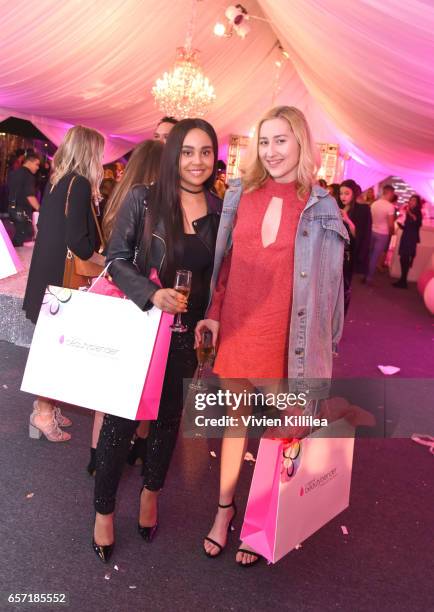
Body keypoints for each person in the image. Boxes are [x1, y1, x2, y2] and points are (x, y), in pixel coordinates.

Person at [195, 105, 347, 567]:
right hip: (240, 328)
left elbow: (331, 287)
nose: (272, 150)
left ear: (300, 142)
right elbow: (225, 267)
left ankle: (260, 520)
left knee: (279, 434)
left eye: (281, 140)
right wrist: (216, 314)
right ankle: (224, 513)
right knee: (234, 425)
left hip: (287, 339)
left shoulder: (321, 207)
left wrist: (326, 347)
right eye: (264, 141)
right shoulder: (242, 194)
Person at [92, 118, 222, 563]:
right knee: (120, 422)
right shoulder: (144, 200)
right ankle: (104, 512)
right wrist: (152, 294)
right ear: (173, 155)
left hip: (186, 337)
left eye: (205, 151)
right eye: (187, 151)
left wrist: (210, 316)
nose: (197, 161)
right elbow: (115, 259)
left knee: (168, 422)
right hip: (143, 328)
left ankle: (151, 494)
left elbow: (218, 278)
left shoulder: (221, 211)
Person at [86, 139, 164, 476]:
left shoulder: (118, 196)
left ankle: (95, 456)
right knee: (146, 380)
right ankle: (138, 450)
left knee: (107, 384)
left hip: (111, 295)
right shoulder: (151, 204)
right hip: (140, 297)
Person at [23, 125, 105, 442]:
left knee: (49, 344)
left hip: (47, 274)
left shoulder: (59, 181)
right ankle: (43, 412)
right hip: (61, 279)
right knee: (54, 349)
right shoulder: (80, 184)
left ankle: (43, 408)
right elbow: (78, 242)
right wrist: (101, 259)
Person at [338, 180, 363, 314]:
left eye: (347, 193)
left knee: (344, 289)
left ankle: (339, 323)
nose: (343, 196)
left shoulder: (360, 210)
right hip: (333, 253)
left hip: (347, 256)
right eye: (341, 193)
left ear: (354, 194)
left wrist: (347, 219)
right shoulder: (336, 207)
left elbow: (359, 235)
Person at [7, 152, 41, 246]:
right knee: (22, 238)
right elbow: (30, 196)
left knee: (21, 236)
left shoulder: (15, 172)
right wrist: (41, 209)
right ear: (29, 162)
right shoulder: (28, 176)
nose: (38, 167)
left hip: (12, 208)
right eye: (37, 164)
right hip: (21, 211)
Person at [365, 184, 395, 284]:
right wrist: (392, 233)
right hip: (383, 233)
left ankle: (365, 274)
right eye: (392, 193)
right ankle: (369, 277)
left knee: (369, 254)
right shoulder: (390, 206)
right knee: (375, 256)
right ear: (389, 193)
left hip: (372, 231)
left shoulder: (375, 203)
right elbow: (391, 224)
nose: (393, 195)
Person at [393, 194, 423, 288]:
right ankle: (402, 280)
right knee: (403, 258)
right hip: (407, 236)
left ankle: (403, 281)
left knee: (405, 259)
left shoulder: (417, 212)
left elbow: (416, 222)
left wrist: (408, 211)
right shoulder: (411, 211)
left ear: (417, 203)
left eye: (414, 200)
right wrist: (401, 226)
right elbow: (409, 225)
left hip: (411, 238)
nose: (411, 201)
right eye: (411, 199)